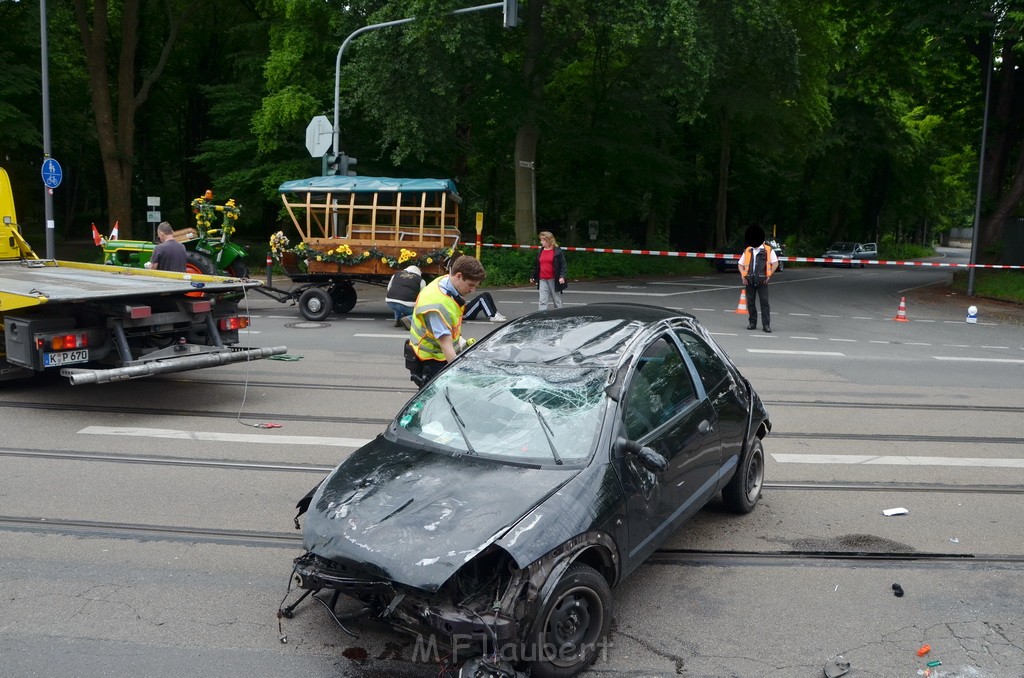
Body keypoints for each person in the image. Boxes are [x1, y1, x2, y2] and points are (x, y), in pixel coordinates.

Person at [405, 255, 487, 388]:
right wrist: (459, 378)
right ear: (458, 276)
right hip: (431, 362)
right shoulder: (437, 304)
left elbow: (451, 326)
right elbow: (445, 345)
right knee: (438, 401)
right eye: (470, 285)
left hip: (434, 357)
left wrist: (461, 342)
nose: (473, 290)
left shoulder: (445, 282)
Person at [737, 224, 779, 333]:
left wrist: (769, 275)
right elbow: (740, 264)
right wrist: (743, 275)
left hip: (762, 280)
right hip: (749, 280)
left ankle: (766, 325)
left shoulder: (768, 250)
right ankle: (752, 323)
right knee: (750, 302)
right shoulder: (748, 250)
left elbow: (775, 263)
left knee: (764, 302)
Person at [529, 230, 568, 311]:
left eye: (543, 240)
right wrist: (533, 276)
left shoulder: (557, 251)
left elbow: (563, 265)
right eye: (541, 240)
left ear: (549, 240)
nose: (541, 242)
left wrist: (562, 277)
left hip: (553, 279)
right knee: (542, 300)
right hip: (542, 279)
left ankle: (559, 316)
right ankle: (542, 316)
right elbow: (537, 265)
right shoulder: (541, 250)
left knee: (556, 300)